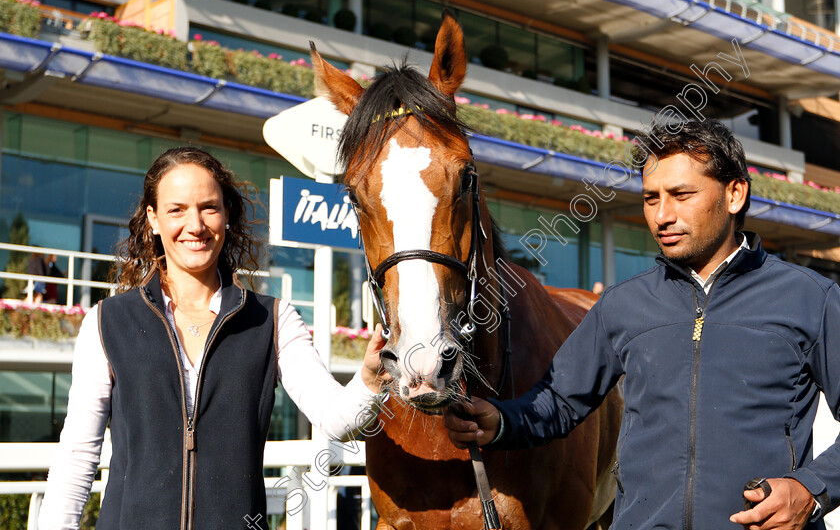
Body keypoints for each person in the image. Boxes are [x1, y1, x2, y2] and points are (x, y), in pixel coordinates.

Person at [444, 120, 840, 530]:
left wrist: (812, 490)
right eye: (651, 198)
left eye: (681, 195)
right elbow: (561, 400)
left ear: (734, 193)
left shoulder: (810, 298)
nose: (662, 215)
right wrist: (502, 422)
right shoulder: (623, 304)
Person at [39, 147, 390, 529]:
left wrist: (370, 379)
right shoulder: (107, 322)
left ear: (226, 215)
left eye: (209, 207)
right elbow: (76, 457)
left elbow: (336, 418)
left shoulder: (272, 320)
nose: (195, 225)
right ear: (153, 220)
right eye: (177, 210)